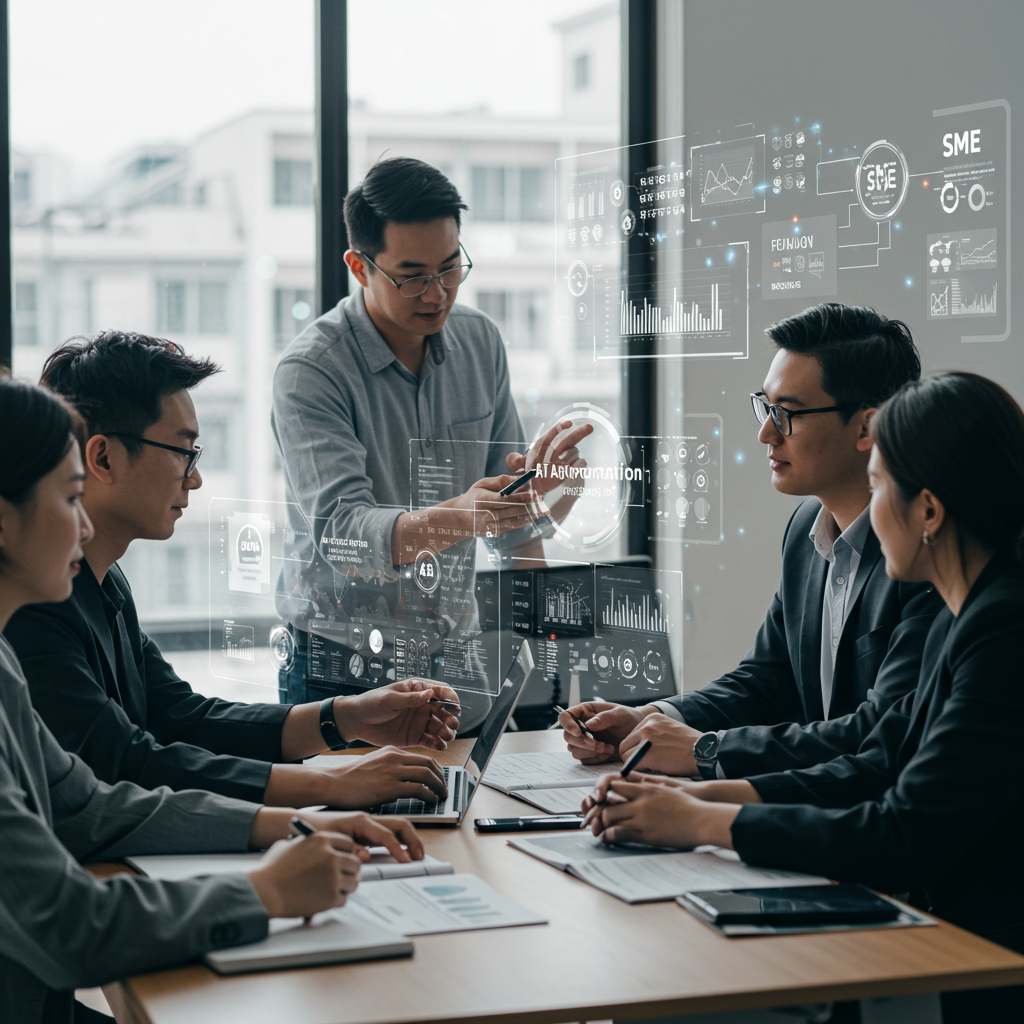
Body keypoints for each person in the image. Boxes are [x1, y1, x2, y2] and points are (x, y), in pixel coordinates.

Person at [583, 371, 1024, 1022]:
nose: (869, 515)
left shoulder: (1003, 632)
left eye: (877, 485)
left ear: (928, 511)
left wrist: (706, 823)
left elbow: (903, 831)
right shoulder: (969, 614)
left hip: (977, 957)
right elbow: (875, 764)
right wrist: (691, 798)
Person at [0, 376, 424, 1024]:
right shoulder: (36, 623)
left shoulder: (13, 653)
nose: (82, 526)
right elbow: (70, 926)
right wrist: (263, 891)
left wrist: (303, 820)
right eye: (68, 498)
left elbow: (91, 805)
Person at [5, 331, 464, 811]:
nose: (196, 478)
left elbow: (182, 719)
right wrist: (330, 785)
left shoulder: (105, 581)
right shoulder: (32, 602)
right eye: (185, 453)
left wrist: (347, 718)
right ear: (102, 457)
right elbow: (124, 762)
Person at [559, 303, 943, 779]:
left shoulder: (929, 555)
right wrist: (653, 719)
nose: (765, 433)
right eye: (766, 407)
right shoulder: (807, 531)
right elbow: (768, 679)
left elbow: (880, 733)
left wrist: (706, 750)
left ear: (867, 426)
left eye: (787, 414)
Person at [271, 156, 588, 716]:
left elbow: (511, 519)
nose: (437, 293)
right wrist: (465, 515)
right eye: (412, 275)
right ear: (359, 265)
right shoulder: (312, 371)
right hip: (341, 662)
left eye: (450, 268)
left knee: (473, 802)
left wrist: (550, 492)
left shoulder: (480, 342)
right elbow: (344, 533)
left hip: (455, 652)